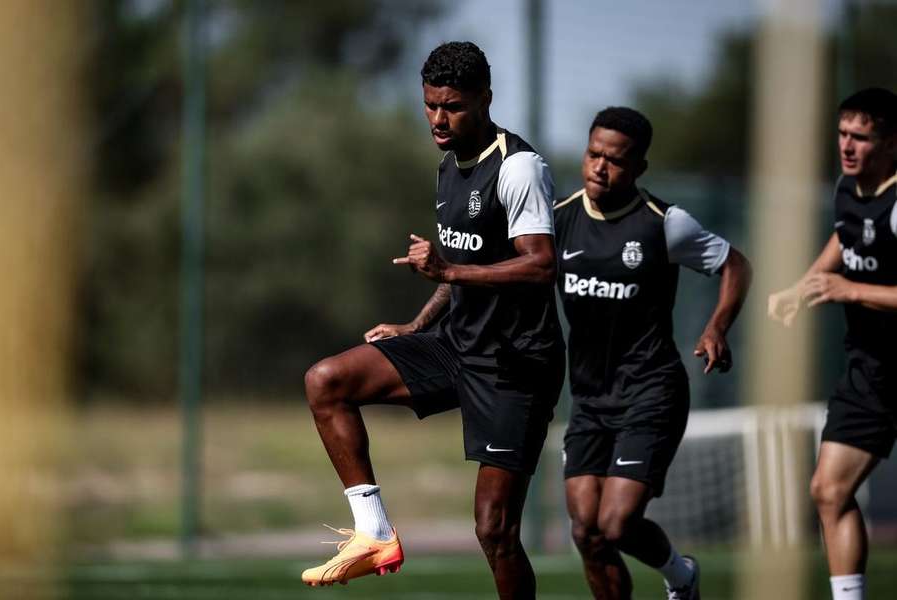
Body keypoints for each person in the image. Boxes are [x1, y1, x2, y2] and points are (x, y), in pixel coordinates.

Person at [301, 41, 565, 599]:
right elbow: (458, 270)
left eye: (453, 107)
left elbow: (540, 265)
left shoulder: (518, 167)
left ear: (485, 99)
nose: (439, 120)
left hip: (515, 364)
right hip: (454, 344)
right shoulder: (449, 168)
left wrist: (448, 268)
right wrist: (417, 326)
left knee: (494, 530)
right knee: (327, 380)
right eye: (430, 105)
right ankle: (373, 532)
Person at [554, 106, 752, 600]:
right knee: (587, 533)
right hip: (590, 399)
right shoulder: (560, 219)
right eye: (593, 154)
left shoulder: (665, 223)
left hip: (651, 391)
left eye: (615, 160)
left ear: (639, 167)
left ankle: (680, 576)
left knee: (617, 523)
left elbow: (735, 264)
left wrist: (716, 327)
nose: (600, 167)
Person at [768, 87, 897, 600]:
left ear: (891, 145)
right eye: (843, 133)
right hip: (870, 371)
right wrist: (804, 287)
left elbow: (854, 276)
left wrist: (851, 290)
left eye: (861, 137)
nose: (847, 145)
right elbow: (846, 239)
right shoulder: (848, 187)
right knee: (829, 489)